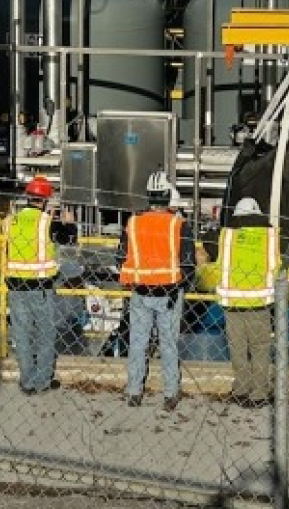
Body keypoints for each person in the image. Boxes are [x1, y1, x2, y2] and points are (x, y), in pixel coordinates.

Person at [117, 168, 197, 410]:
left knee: (138, 342)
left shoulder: (133, 223)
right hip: (170, 295)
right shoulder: (178, 225)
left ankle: (133, 391)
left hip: (140, 292)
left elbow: (120, 257)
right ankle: (170, 393)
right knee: (169, 344)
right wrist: (185, 285)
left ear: (149, 196)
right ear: (167, 195)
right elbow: (188, 263)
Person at [2, 176, 64, 395]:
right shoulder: (46, 221)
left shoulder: (10, 220)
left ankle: (27, 382)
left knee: (22, 334)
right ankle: (43, 380)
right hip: (40, 287)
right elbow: (67, 237)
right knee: (46, 333)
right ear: (46, 199)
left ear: (28, 196)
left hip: (16, 286)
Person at [216, 197, 279, 407]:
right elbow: (276, 266)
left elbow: (220, 264)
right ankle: (259, 393)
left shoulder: (227, 235)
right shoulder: (270, 236)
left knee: (237, 347)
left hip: (232, 301)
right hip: (259, 301)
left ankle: (241, 389)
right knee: (260, 347)